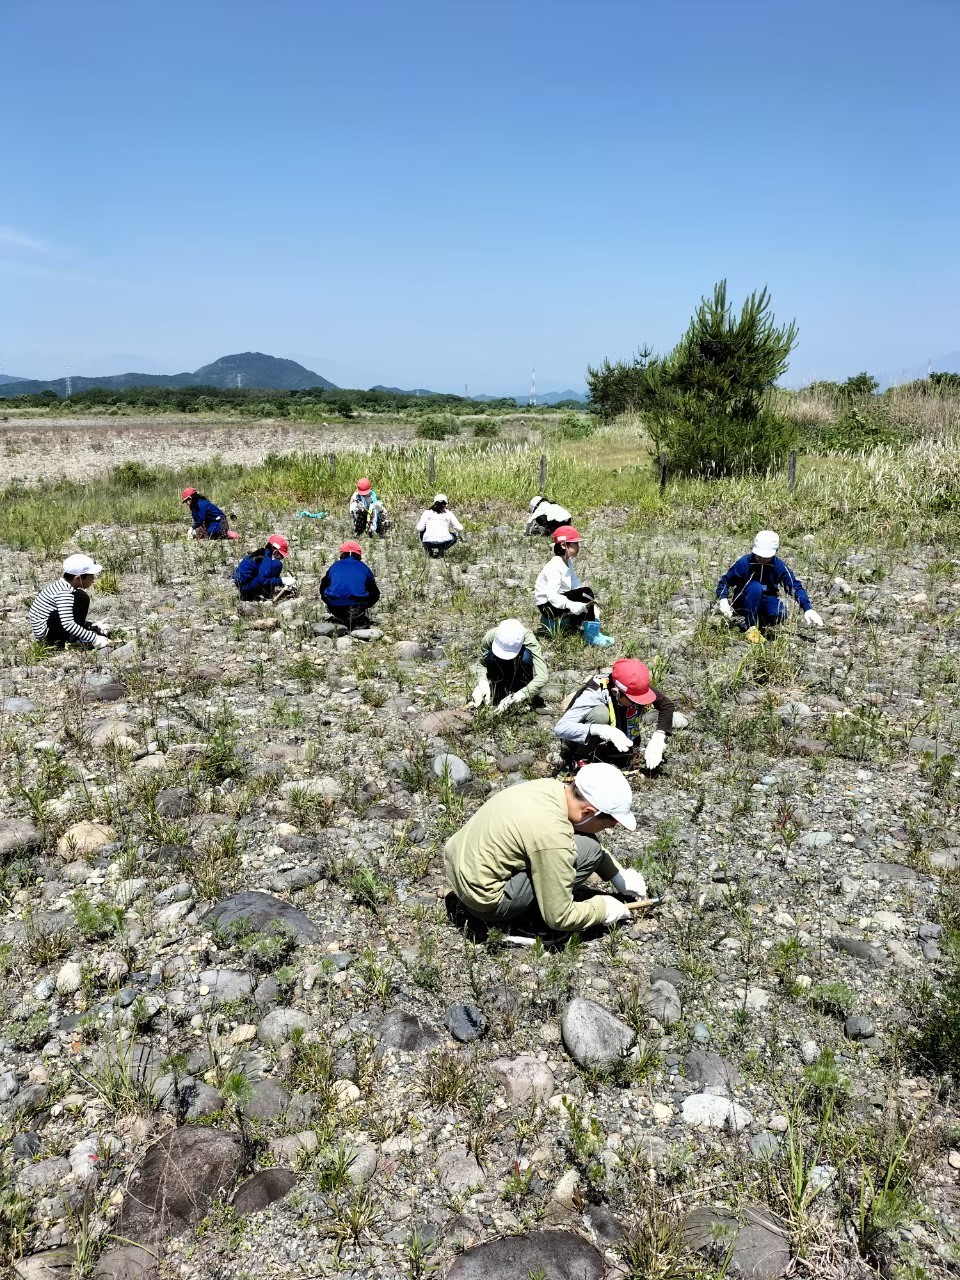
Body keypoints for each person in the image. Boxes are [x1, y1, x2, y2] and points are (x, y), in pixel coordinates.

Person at [444, 762, 647, 934]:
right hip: (484, 902)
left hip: (457, 866)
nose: (606, 829)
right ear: (588, 812)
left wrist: (616, 874)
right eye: (608, 824)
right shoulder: (554, 836)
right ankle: (528, 918)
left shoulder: (549, 788)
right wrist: (603, 909)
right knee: (590, 848)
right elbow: (559, 917)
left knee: (585, 844)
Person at [554, 658, 675, 771]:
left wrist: (658, 737)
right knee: (600, 715)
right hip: (579, 738)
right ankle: (581, 757)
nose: (637, 702)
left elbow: (666, 705)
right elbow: (561, 728)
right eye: (633, 700)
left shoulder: (633, 685)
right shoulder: (594, 691)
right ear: (616, 692)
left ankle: (611, 751)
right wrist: (601, 730)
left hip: (618, 736)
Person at [716, 530, 823, 640]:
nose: (761, 559)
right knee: (755, 587)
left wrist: (807, 608)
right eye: (759, 555)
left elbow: (793, 586)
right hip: (744, 600)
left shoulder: (779, 566)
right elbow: (725, 581)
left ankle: (756, 624)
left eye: (765, 557)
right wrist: (723, 600)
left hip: (766, 600)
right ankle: (751, 627)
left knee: (781, 613)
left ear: (775, 552)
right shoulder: (745, 563)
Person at [534, 525, 614, 646]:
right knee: (586, 592)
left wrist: (588, 602)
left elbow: (575, 584)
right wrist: (571, 604)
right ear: (563, 545)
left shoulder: (567, 561)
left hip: (557, 600)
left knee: (585, 594)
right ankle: (591, 637)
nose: (578, 547)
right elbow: (551, 595)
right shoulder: (555, 566)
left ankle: (576, 624)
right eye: (575, 544)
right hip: (547, 606)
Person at [29, 554, 112, 650]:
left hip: (49, 624)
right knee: (80, 598)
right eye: (91, 576)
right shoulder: (64, 593)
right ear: (78, 578)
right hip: (46, 634)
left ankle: (80, 631)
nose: (93, 579)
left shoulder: (63, 586)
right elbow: (68, 624)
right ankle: (62, 640)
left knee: (81, 597)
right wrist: (95, 638)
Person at [471, 618, 549, 712]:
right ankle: (497, 686)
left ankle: (522, 685)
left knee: (526, 657)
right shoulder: (490, 637)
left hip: (520, 666)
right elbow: (482, 663)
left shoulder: (529, 640)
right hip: (498, 667)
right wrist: (482, 682)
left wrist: (520, 695)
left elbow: (542, 676)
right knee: (490, 656)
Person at [319, 541, 381, 630]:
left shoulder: (335, 566)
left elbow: (323, 586)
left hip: (335, 604)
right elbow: (374, 592)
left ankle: (339, 616)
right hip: (358, 605)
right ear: (359, 555)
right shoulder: (363, 567)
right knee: (373, 591)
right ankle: (358, 617)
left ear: (342, 554)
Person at [232, 534, 294, 601]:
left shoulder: (262, 553)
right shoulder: (266, 559)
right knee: (277, 564)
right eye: (281, 556)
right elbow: (263, 580)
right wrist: (282, 580)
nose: (282, 558)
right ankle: (264, 594)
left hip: (239, 583)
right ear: (275, 552)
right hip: (244, 588)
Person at [417, 494, 463, 558]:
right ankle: (442, 550)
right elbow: (460, 528)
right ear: (446, 504)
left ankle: (428, 550)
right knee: (454, 536)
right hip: (445, 542)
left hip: (428, 541)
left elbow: (419, 528)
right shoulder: (449, 513)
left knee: (422, 532)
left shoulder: (426, 512)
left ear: (434, 503)